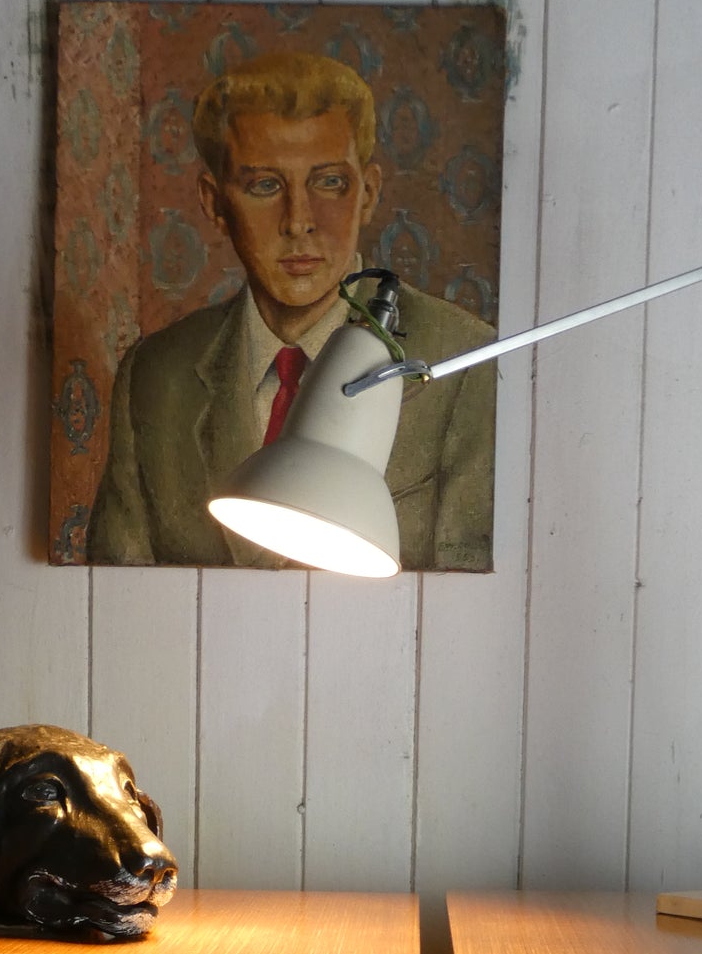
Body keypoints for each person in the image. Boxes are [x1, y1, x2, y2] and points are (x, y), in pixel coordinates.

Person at [87, 50, 495, 570]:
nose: (299, 221)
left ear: (368, 193)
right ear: (214, 203)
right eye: (265, 185)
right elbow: (115, 584)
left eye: (328, 182)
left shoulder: (462, 362)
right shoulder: (156, 376)